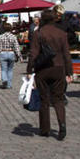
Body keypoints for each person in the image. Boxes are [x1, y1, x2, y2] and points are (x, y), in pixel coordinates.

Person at [27, 10, 72, 140]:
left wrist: (29, 69)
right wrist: (69, 72)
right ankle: (62, 124)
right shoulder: (62, 33)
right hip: (58, 68)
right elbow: (66, 54)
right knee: (58, 99)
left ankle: (45, 128)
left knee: (44, 99)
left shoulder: (38, 33)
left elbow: (33, 53)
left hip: (43, 69)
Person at [0, 22, 22, 89]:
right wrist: (19, 56)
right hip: (11, 53)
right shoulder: (13, 36)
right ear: (10, 29)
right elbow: (16, 47)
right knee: (10, 70)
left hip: (3, 53)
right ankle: (9, 85)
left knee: (3, 69)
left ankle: (4, 79)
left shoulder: (1, 36)